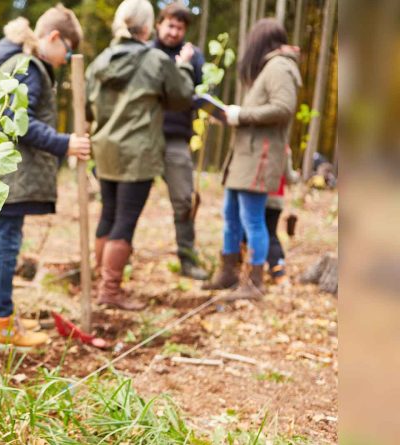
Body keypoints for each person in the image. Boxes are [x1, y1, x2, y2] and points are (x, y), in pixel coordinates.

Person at [0, 5, 91, 349]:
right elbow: (18, 121)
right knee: (7, 241)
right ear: (54, 38)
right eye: (68, 50)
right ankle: (2, 322)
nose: (66, 58)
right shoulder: (28, 66)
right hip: (13, 171)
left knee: (0, 238)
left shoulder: (19, 63)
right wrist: (65, 143)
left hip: (5, 170)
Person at [85, 0, 194, 310]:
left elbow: (87, 107)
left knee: (108, 214)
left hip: (105, 150)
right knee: (125, 221)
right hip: (139, 152)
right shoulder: (157, 60)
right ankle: (110, 291)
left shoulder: (100, 62)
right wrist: (184, 65)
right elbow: (182, 97)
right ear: (148, 27)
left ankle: (101, 283)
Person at [203, 19, 301, 300]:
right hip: (244, 158)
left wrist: (241, 115)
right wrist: (229, 116)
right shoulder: (268, 69)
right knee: (231, 217)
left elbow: (283, 108)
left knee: (253, 220)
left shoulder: (280, 67)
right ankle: (227, 273)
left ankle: (254, 282)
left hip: (260, 158)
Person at [150, 2, 209, 280]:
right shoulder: (146, 52)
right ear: (159, 24)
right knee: (127, 199)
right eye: (169, 25)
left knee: (184, 201)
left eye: (180, 27)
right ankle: (116, 260)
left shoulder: (194, 56)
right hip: (145, 137)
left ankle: (187, 260)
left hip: (176, 138)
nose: (174, 32)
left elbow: (199, 91)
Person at [265, 146, 299, 284]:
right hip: (275, 199)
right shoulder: (284, 148)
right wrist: (296, 176)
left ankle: (277, 269)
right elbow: (289, 177)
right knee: (270, 233)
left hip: (256, 197)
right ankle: (277, 268)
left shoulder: (259, 144)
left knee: (258, 231)